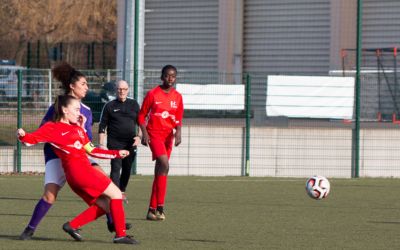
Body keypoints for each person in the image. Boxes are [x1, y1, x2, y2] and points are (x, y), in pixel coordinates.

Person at [19, 62, 130, 240]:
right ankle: (30, 229)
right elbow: (44, 132)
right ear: (72, 86)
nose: (86, 87)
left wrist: (80, 130)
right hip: (56, 157)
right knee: (50, 196)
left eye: (87, 84)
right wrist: (28, 137)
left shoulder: (85, 110)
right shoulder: (59, 105)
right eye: (83, 84)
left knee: (103, 180)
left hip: (78, 157)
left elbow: (85, 140)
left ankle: (113, 221)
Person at [138, 65, 184, 221]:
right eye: (167, 76)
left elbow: (178, 118)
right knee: (164, 164)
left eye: (173, 76)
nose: (170, 79)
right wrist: (144, 133)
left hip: (168, 137)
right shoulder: (152, 94)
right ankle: (160, 207)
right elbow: (141, 116)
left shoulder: (178, 97)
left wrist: (178, 133)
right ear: (162, 76)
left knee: (160, 171)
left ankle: (152, 210)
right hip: (154, 135)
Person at [98, 80, 141, 204]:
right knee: (116, 168)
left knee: (127, 169)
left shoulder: (134, 104)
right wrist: (101, 144)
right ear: (116, 90)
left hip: (130, 143)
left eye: (124, 89)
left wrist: (139, 137)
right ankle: (115, 195)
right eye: (119, 89)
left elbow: (141, 123)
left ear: (128, 90)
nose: (122, 91)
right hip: (114, 142)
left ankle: (121, 190)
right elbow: (102, 125)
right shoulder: (109, 106)